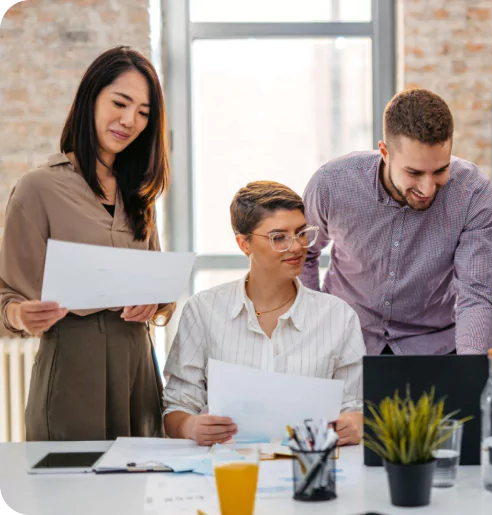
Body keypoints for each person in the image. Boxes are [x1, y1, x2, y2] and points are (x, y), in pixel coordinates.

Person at [0, 46, 173, 441]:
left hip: (139, 371)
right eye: (120, 102)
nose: (130, 120)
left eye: (144, 113)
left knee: (138, 495)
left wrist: (154, 300)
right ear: (91, 97)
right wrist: (20, 315)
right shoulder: (38, 188)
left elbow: (160, 286)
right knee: (69, 497)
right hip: (71, 373)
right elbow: (6, 297)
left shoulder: (139, 195)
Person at [300, 89, 492, 355]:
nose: (428, 188)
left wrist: (472, 375)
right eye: (414, 172)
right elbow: (303, 253)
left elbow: (475, 296)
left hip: (432, 347)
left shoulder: (475, 196)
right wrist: (313, 327)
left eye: (440, 170)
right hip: (345, 340)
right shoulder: (332, 184)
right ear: (384, 152)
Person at [163, 181, 366, 446]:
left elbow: (354, 406)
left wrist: (353, 424)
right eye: (278, 237)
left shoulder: (338, 317)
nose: (296, 247)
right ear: (244, 244)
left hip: (309, 469)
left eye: (301, 232)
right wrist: (191, 427)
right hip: (225, 470)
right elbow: (177, 407)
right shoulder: (203, 310)